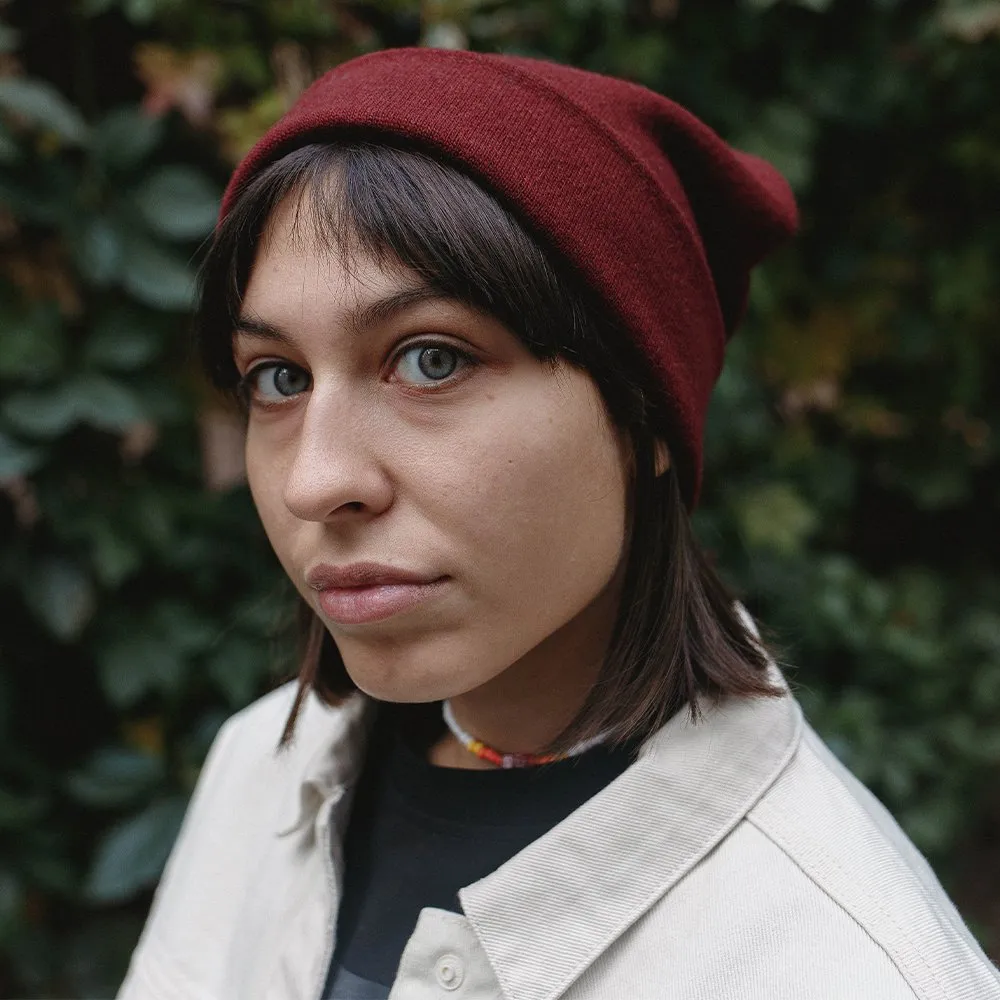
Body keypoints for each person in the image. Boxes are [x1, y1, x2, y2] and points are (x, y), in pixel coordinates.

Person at [116, 47, 1000, 1000]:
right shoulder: (262, 767)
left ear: (644, 416)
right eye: (279, 377)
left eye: (431, 360)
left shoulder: (851, 968)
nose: (315, 481)